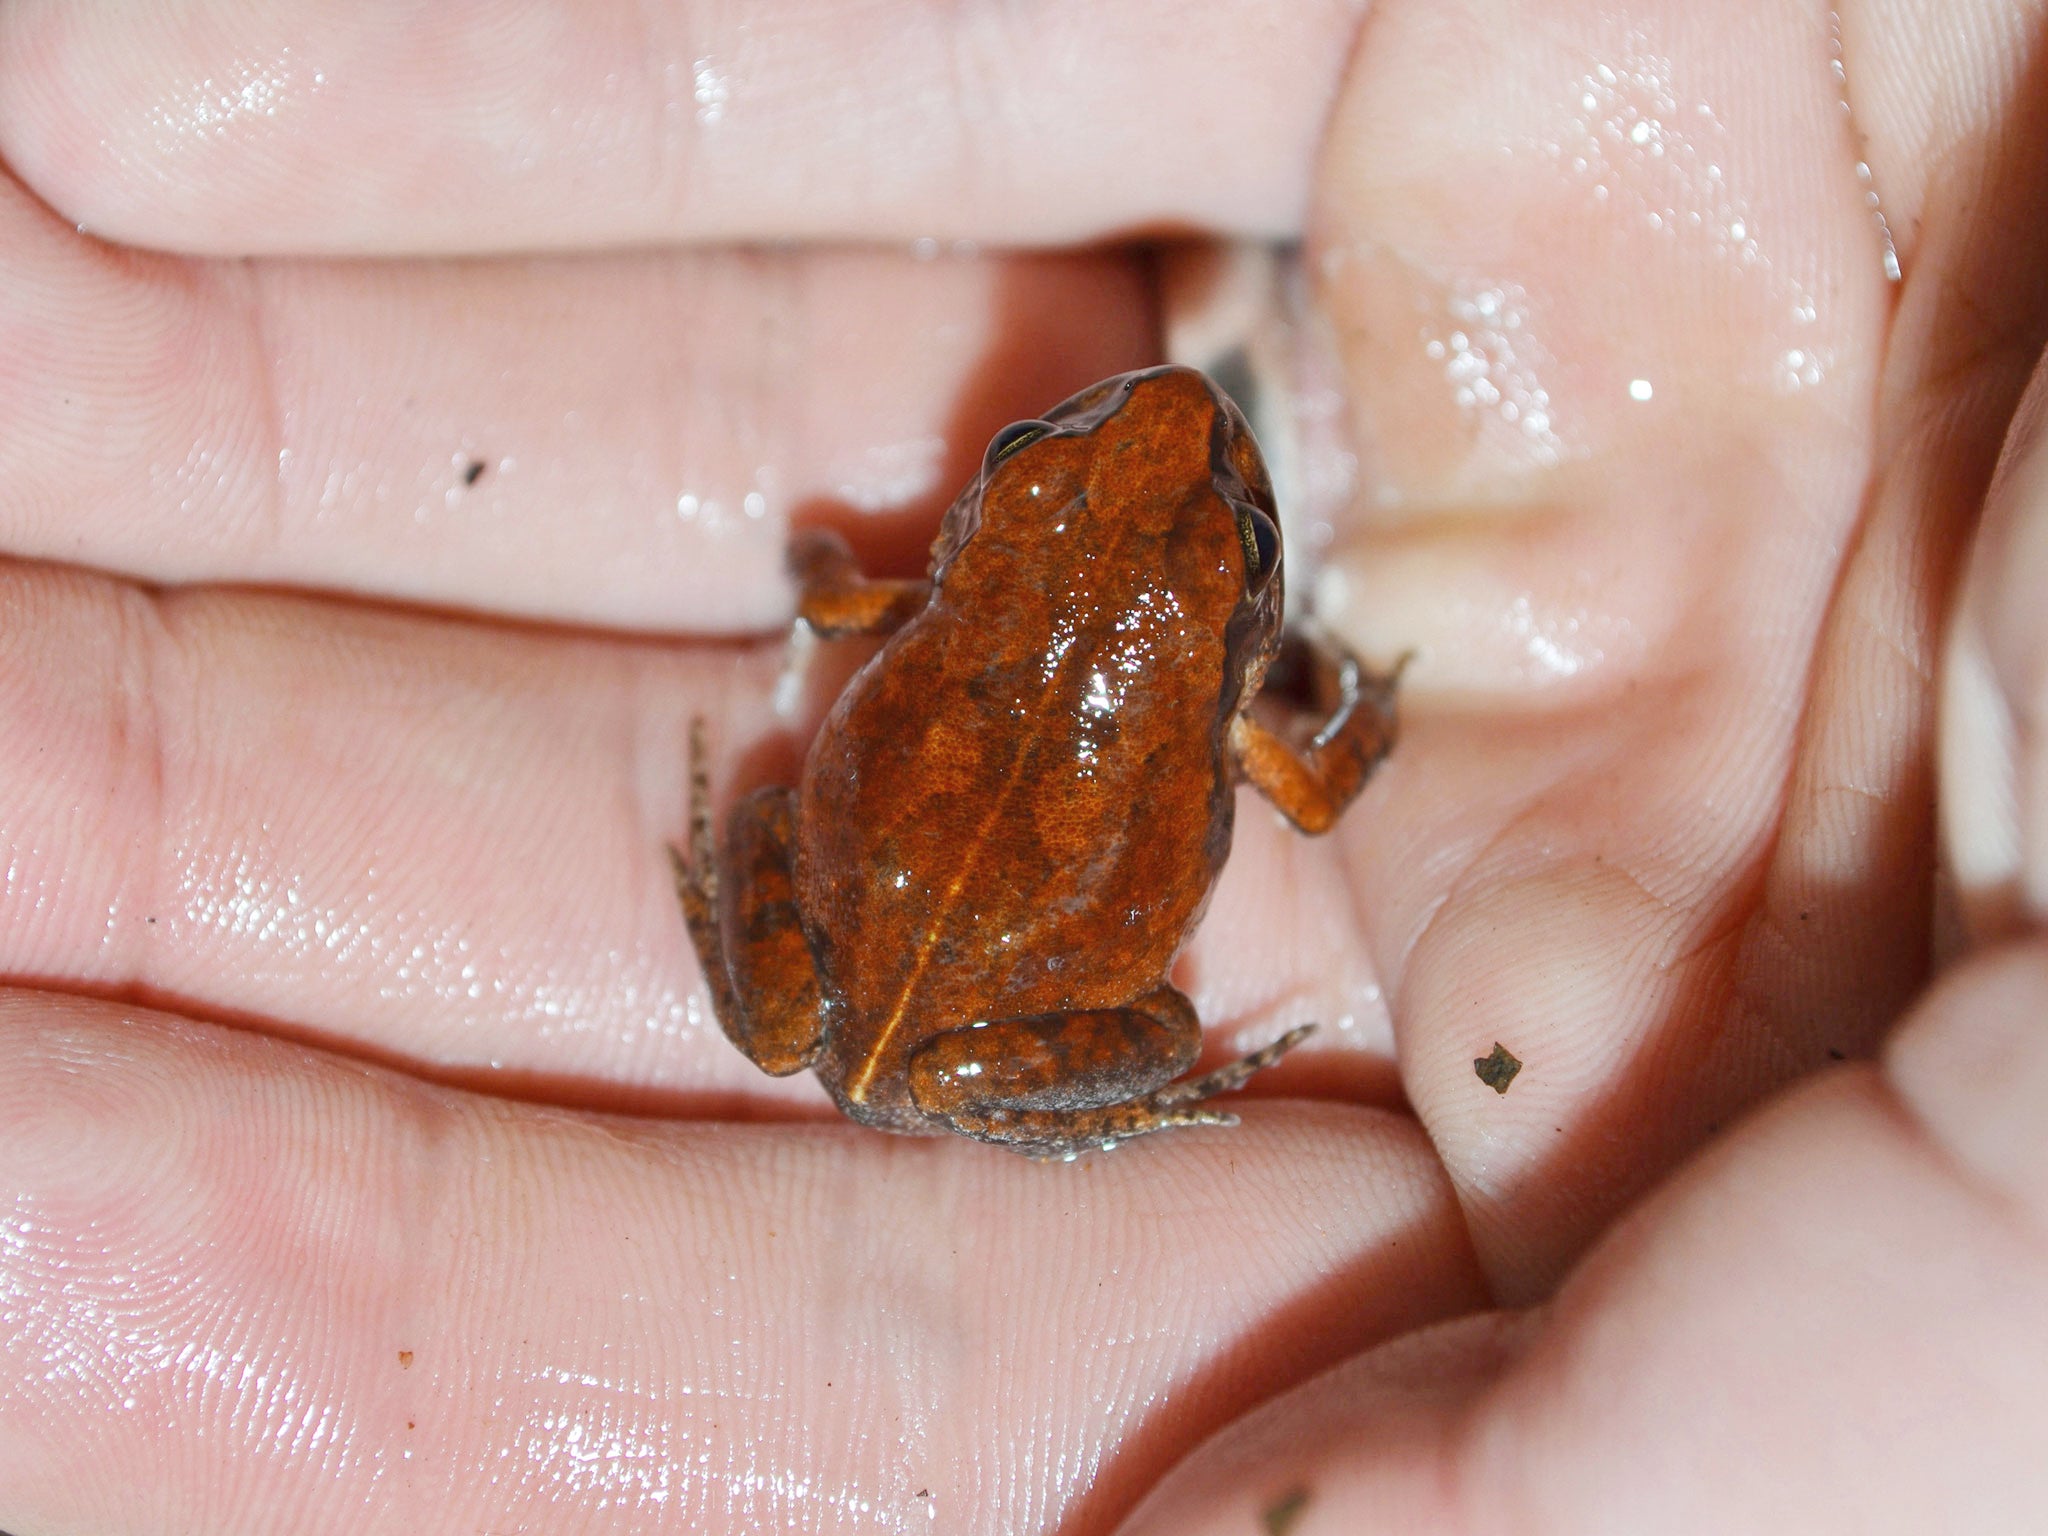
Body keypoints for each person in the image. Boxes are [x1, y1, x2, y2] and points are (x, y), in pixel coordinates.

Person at [0, 1, 2042, 1529]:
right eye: (1026, 474)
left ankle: (873, 951)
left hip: (886, 945)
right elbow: (1318, 782)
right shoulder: (1208, 702)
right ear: (994, 531)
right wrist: (1363, 700)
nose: (1137, 419)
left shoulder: (921, 604)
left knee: (870, 1007)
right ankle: (1113, 1070)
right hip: (958, 989)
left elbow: (819, 594)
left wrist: (806, 622)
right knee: (1096, 1014)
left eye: (1209, 532)